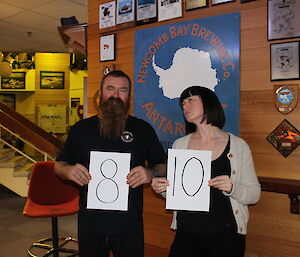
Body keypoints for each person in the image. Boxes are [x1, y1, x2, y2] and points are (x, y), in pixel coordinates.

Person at [55, 70, 166, 257]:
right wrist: (68, 171)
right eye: (110, 89)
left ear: (128, 96)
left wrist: (150, 173)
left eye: (122, 90)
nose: (115, 95)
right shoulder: (80, 129)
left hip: (129, 225)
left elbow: (163, 165)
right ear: (100, 93)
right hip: (90, 225)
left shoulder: (143, 129)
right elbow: (59, 165)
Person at [151, 86, 261, 257]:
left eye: (190, 100)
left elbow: (254, 194)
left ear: (208, 102)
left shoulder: (238, 145)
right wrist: (164, 190)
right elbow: (179, 194)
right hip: (187, 234)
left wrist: (233, 187)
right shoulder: (180, 144)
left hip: (225, 237)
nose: (184, 106)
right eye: (183, 103)